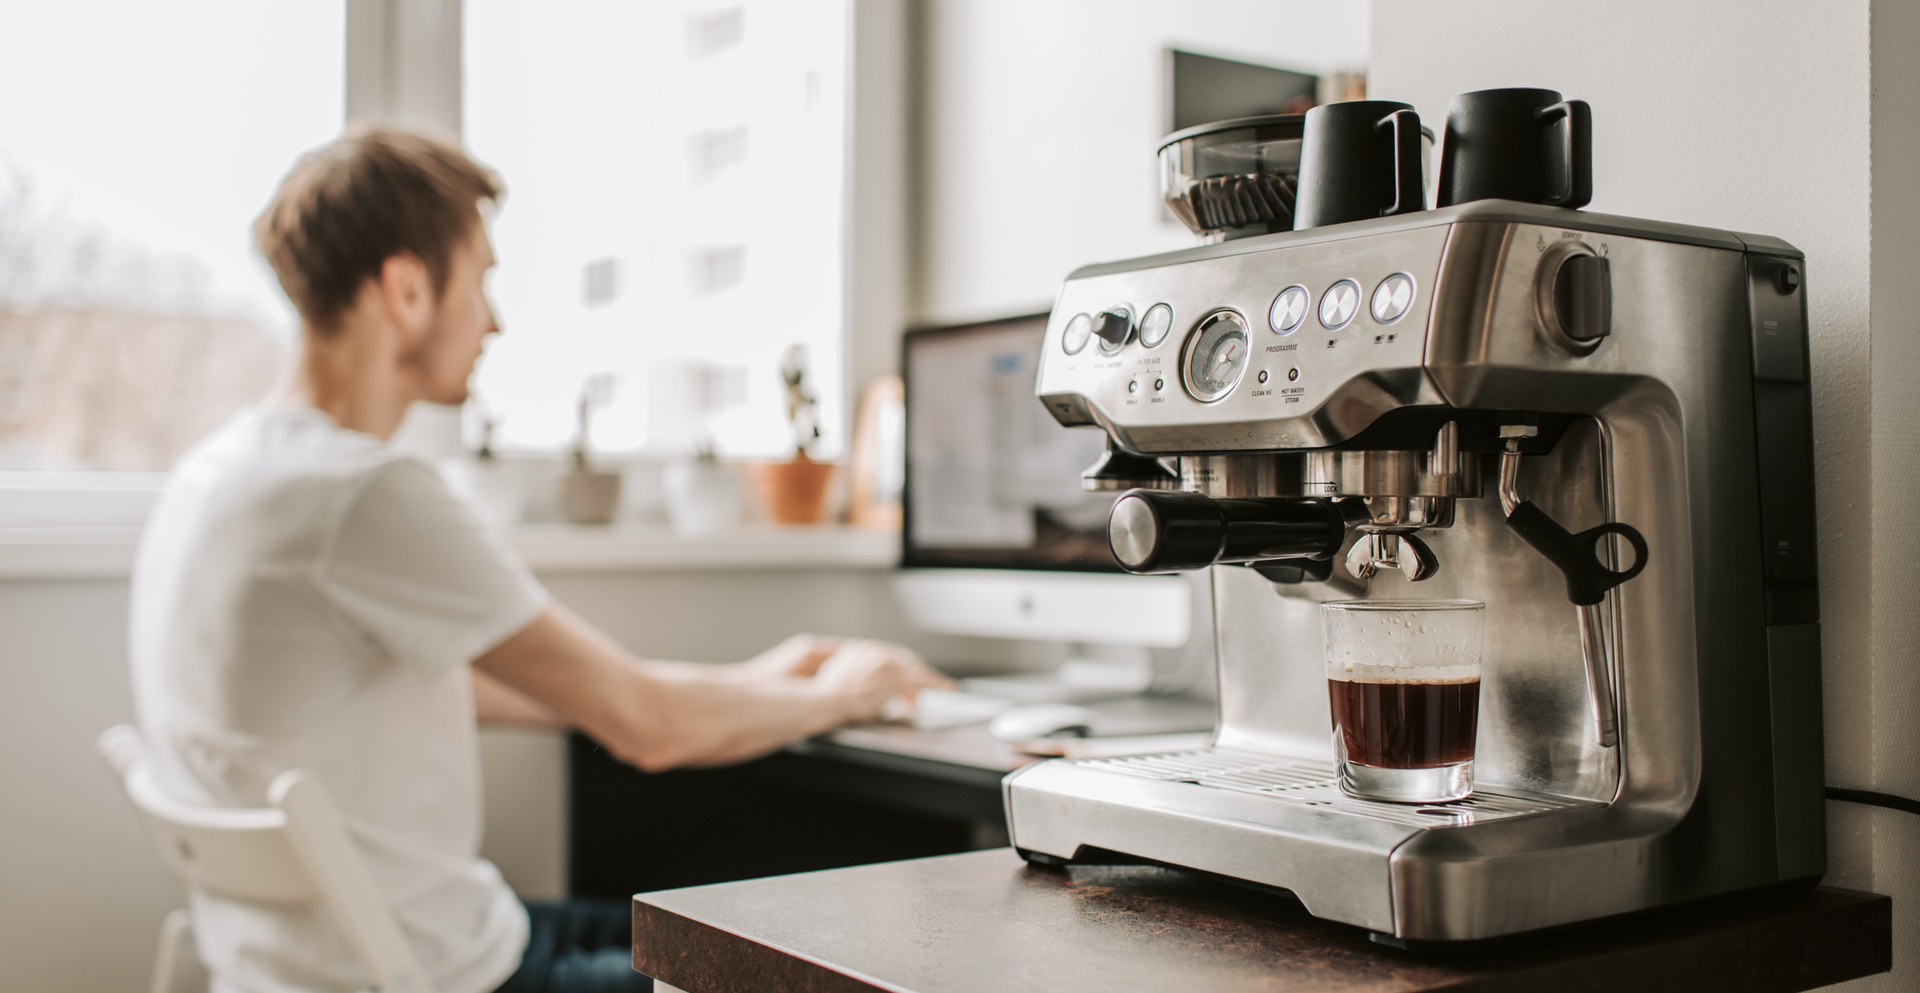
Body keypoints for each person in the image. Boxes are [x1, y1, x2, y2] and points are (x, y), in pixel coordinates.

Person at [128, 126, 949, 993]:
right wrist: (841, 694)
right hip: (437, 975)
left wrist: (762, 680)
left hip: (299, 966)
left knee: (714, 925)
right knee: (816, 969)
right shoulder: (360, 492)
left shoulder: (220, 474)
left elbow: (499, 689)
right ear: (407, 288)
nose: (494, 320)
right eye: (481, 279)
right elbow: (647, 725)